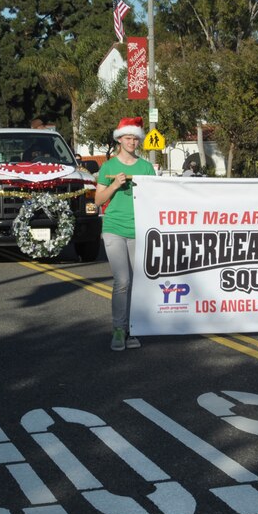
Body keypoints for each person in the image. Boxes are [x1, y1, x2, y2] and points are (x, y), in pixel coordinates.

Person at [94, 117, 156, 351]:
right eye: (128, 138)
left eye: (135, 139)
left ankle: (133, 328)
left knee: (138, 282)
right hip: (114, 228)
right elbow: (98, 200)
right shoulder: (109, 167)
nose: (132, 142)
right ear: (119, 139)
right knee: (123, 281)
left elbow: (157, 198)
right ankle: (119, 329)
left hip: (139, 229)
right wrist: (114, 186)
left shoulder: (146, 167)